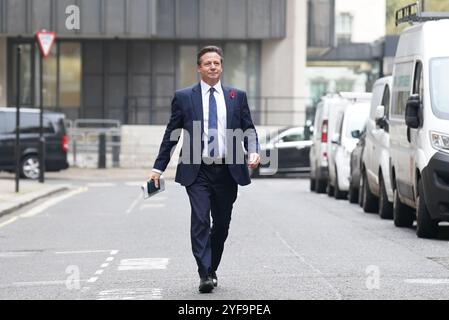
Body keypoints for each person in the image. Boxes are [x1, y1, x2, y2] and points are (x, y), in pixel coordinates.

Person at [148, 46, 260, 294]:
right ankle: (204, 273)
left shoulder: (236, 96)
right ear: (199, 68)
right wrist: (158, 168)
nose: (212, 67)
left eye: (216, 63)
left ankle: (211, 268)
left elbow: (248, 129)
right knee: (200, 220)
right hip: (196, 169)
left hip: (227, 169)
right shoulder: (184, 97)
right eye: (207, 63)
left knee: (221, 224)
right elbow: (171, 135)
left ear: (221, 67)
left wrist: (253, 149)